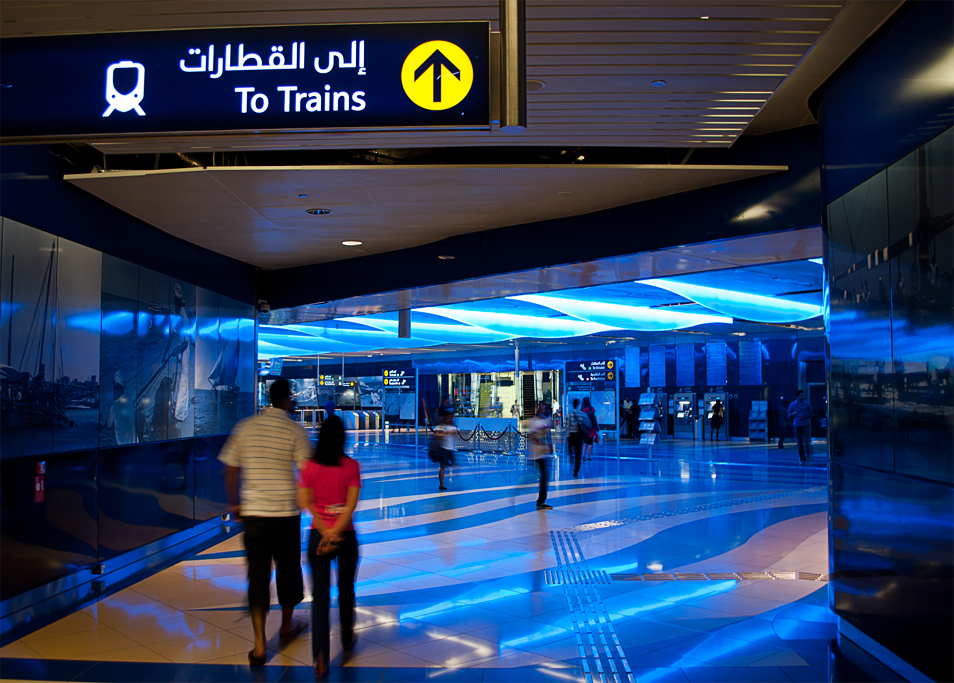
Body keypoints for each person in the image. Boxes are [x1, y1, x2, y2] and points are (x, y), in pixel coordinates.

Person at [219, 379, 311, 667]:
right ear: (284, 399)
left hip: (254, 515)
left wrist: (235, 503)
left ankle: (259, 645)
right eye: (292, 396)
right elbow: (306, 471)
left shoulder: (246, 427)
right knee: (288, 571)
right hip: (285, 514)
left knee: (257, 577)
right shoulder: (295, 430)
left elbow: (229, 468)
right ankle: (286, 626)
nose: (294, 400)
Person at [297, 414, 362, 678]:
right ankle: (346, 638)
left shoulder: (309, 467)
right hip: (345, 536)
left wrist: (325, 531)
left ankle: (321, 659)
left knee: (321, 596)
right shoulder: (351, 466)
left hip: (318, 537)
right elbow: (351, 505)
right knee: (346, 589)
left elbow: (305, 503)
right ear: (342, 438)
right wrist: (336, 532)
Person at [528, 405, 553, 509]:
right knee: (543, 476)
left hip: (540, 453)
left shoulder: (541, 421)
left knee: (544, 476)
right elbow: (533, 437)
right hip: (536, 453)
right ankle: (540, 501)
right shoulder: (535, 422)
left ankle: (541, 500)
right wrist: (544, 445)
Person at [430, 410, 458, 491]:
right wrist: (447, 433)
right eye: (449, 418)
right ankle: (441, 484)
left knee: (454, 465)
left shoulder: (453, 428)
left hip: (450, 450)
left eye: (452, 418)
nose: (451, 420)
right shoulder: (441, 427)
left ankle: (453, 480)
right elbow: (438, 437)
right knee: (442, 467)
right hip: (443, 449)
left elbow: (455, 437)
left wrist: (453, 433)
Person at [788, 390, 814, 465]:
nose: (802, 396)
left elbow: (811, 414)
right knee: (799, 443)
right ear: (797, 396)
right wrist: (793, 414)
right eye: (801, 395)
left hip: (805, 424)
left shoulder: (807, 404)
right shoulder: (792, 404)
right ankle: (802, 458)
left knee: (806, 442)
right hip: (796, 425)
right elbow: (788, 415)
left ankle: (808, 457)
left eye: (803, 395)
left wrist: (805, 416)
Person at [566, 398, 587, 477]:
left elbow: (565, 426)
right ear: (578, 404)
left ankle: (571, 457)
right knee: (578, 453)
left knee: (570, 449)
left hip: (572, 435)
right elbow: (588, 423)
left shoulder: (569, 414)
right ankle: (576, 470)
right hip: (579, 436)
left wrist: (563, 433)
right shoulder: (581, 414)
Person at [580, 397, 598, 461]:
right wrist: (597, 427)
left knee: (585, 442)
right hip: (592, 427)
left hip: (585, 428)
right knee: (590, 442)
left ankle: (583, 455)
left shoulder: (582, 409)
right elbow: (594, 418)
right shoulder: (591, 408)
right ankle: (589, 456)